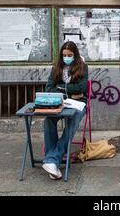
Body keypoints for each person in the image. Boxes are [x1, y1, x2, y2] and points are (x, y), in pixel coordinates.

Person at [42, 41, 88, 180]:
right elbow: (49, 88)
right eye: (64, 55)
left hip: (78, 103)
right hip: (59, 102)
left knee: (73, 121)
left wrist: (60, 88)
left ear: (75, 55)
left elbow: (81, 88)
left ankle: (52, 159)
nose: (66, 57)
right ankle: (52, 163)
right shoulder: (56, 67)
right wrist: (68, 92)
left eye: (69, 55)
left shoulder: (82, 66)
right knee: (48, 120)